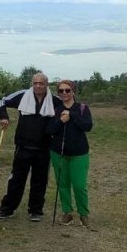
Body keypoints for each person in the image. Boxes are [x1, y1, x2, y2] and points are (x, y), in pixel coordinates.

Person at [0, 73, 60, 222]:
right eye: (35, 83)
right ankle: (7, 209)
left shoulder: (55, 100)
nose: (38, 86)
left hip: (44, 147)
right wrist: (3, 116)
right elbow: (1, 101)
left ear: (46, 84)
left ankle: (36, 210)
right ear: (32, 84)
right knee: (16, 180)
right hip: (23, 146)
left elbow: (68, 107)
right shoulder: (23, 95)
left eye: (41, 83)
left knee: (40, 181)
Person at [47, 80, 93, 227]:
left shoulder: (82, 108)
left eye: (67, 90)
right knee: (63, 184)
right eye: (61, 91)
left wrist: (72, 115)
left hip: (79, 153)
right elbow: (49, 130)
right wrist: (61, 121)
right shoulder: (55, 109)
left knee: (79, 185)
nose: (64, 93)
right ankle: (67, 212)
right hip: (58, 153)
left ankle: (83, 214)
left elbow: (87, 126)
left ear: (73, 91)